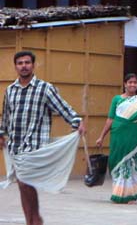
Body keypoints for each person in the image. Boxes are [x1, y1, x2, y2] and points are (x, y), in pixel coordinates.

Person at [0, 51, 86, 225]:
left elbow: (63, 107)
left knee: (25, 182)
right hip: (15, 146)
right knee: (23, 184)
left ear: (33, 65)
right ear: (15, 66)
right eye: (20, 63)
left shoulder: (45, 88)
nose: (23, 66)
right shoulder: (10, 91)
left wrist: (77, 121)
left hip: (35, 145)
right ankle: (31, 220)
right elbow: (6, 116)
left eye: (27, 62)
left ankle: (35, 219)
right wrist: (1, 133)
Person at [96, 73, 137, 204]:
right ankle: (117, 194)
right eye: (130, 82)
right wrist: (101, 136)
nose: (132, 84)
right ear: (125, 84)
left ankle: (130, 196)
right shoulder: (116, 99)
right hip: (117, 135)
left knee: (132, 164)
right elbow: (110, 119)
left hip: (132, 136)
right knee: (116, 162)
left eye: (135, 82)